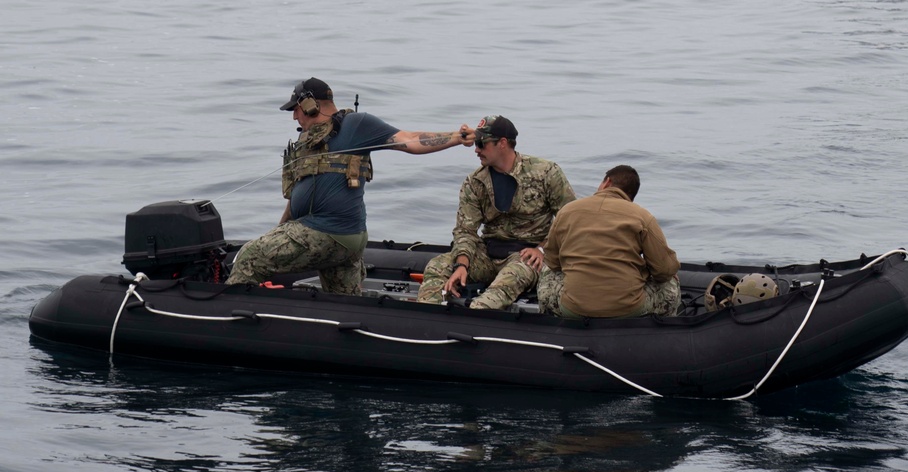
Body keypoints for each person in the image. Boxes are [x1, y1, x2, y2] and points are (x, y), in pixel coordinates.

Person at [227, 78, 474, 294]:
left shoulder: (356, 125)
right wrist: (278, 231)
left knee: (250, 256)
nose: (294, 116)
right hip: (341, 239)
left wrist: (456, 137)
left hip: (327, 233)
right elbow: (295, 197)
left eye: (296, 109)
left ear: (310, 104)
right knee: (342, 300)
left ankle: (230, 320)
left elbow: (410, 140)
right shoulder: (306, 142)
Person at [416, 115, 575, 311]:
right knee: (437, 266)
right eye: (475, 143)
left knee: (505, 284)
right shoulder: (475, 182)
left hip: (526, 257)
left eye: (482, 143)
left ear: (502, 143)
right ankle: (427, 318)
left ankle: (474, 321)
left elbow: (570, 220)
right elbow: (465, 231)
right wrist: (462, 265)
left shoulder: (546, 173)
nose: (476, 149)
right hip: (488, 254)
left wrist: (543, 249)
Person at [537, 165, 681, 319]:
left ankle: (551, 324)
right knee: (670, 283)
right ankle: (661, 331)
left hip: (573, 308)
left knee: (547, 271)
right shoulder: (642, 216)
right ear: (631, 195)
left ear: (607, 182)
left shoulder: (567, 211)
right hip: (628, 310)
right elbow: (664, 270)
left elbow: (552, 261)